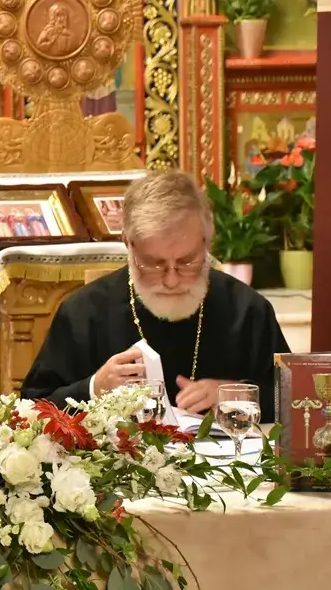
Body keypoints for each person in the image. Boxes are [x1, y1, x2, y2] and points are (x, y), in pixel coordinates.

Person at [19, 170, 289, 422]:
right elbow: (31, 407)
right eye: (153, 264)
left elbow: (295, 400)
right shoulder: (84, 312)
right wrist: (93, 388)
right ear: (128, 243)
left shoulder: (247, 310)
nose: (171, 280)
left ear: (207, 242)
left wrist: (239, 395)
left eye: (187, 262)